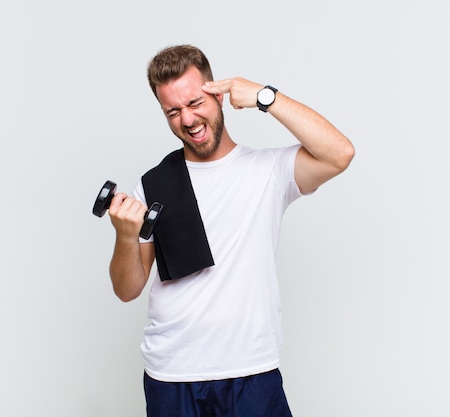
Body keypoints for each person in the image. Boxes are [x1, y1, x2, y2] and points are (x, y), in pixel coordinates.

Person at [107, 44, 354, 417]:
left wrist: (264, 97)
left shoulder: (269, 171)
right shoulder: (153, 184)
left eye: (194, 103)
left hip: (250, 371)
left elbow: (340, 153)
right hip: (170, 373)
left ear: (217, 94)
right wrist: (126, 236)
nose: (187, 120)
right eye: (173, 111)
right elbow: (127, 290)